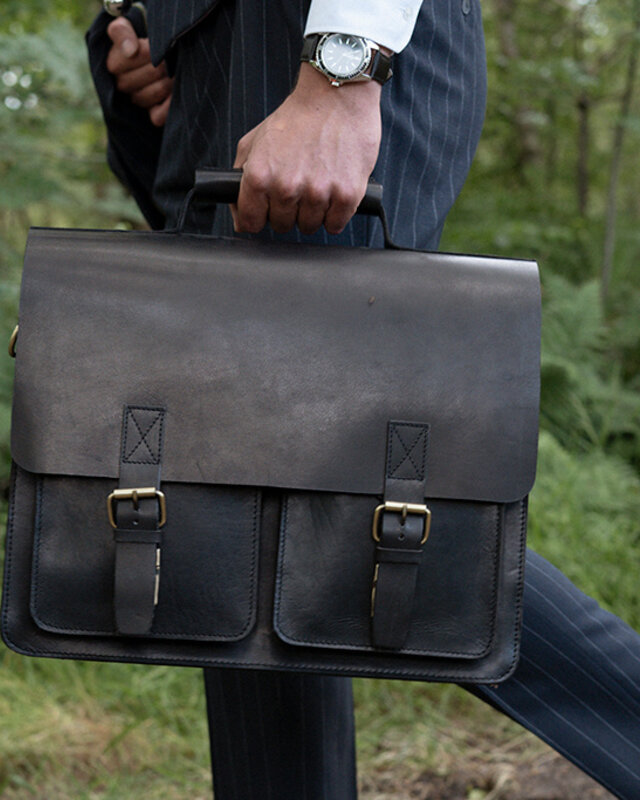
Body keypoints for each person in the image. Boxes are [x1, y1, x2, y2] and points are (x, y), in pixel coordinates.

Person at [87, 2, 640, 798]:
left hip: (318, 43)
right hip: (204, 59)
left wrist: (344, 67)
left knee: (325, 494)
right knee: (232, 496)